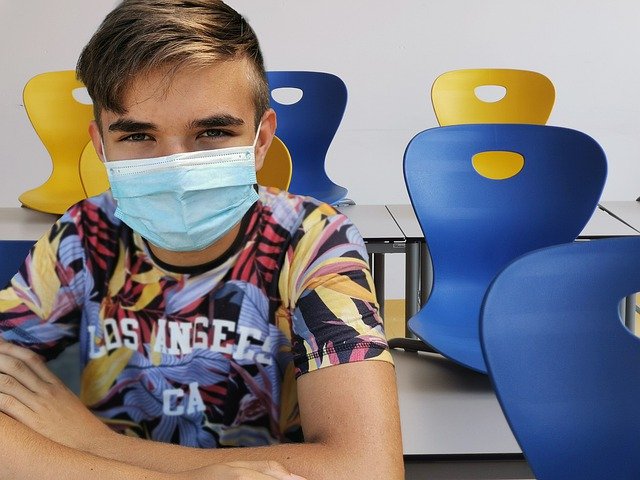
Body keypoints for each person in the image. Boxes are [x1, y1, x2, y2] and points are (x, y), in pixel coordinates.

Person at [0, 1, 404, 479]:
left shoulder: (314, 241)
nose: (175, 168)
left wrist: (92, 443)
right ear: (101, 144)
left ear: (260, 139)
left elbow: (368, 468)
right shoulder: (83, 236)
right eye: (137, 135)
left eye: (212, 131)